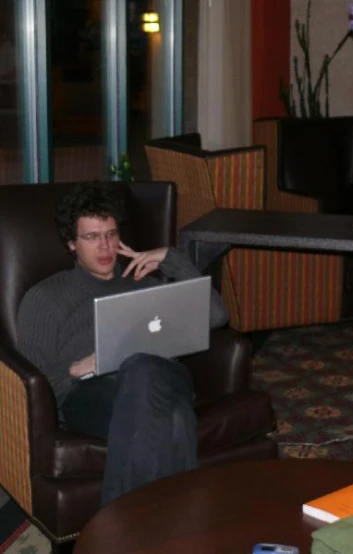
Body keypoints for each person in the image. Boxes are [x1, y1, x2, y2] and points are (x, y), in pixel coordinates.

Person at [16, 182, 229, 504]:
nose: (104, 247)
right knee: (173, 421)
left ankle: (115, 531)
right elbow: (32, 383)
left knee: (142, 365)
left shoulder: (143, 279)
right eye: (91, 237)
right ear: (71, 243)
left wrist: (171, 258)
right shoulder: (45, 297)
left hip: (164, 378)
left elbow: (217, 316)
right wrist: (78, 368)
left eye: (111, 234)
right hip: (88, 394)